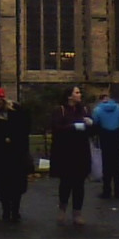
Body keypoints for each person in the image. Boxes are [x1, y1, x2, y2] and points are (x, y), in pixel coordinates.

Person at [0, 86, 31, 222]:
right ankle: (6, 210)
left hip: (17, 154)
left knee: (17, 184)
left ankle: (15, 210)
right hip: (0, 156)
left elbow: (25, 129)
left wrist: (14, 140)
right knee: (2, 185)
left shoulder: (17, 112)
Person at [50, 84, 93, 226]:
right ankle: (62, 209)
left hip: (81, 152)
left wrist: (91, 124)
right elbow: (56, 129)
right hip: (65, 153)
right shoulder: (60, 110)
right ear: (70, 96)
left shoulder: (84, 110)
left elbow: (92, 132)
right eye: (77, 92)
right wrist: (73, 127)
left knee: (79, 184)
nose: (80, 95)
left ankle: (77, 213)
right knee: (65, 183)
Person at [92, 91, 119, 199]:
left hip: (105, 138)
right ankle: (118, 191)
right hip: (117, 138)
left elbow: (95, 124)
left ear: (101, 100)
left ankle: (106, 191)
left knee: (106, 165)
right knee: (117, 165)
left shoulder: (97, 110)